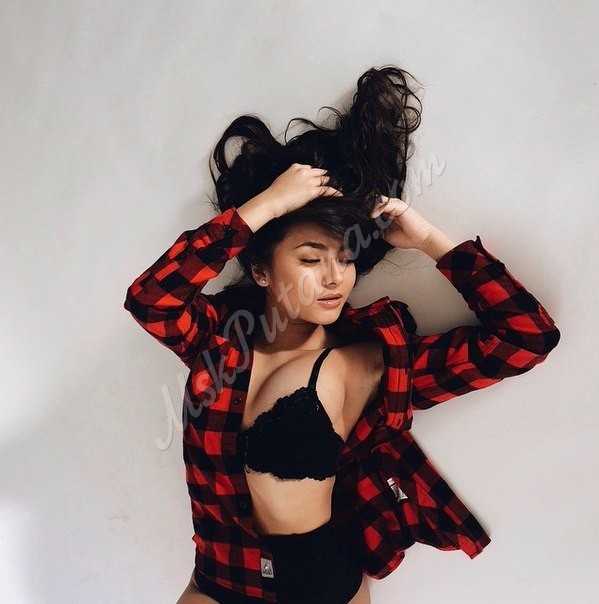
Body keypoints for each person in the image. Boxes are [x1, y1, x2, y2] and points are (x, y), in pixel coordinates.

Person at [124, 67, 561, 603]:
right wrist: (266, 207)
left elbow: (526, 338)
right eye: (311, 259)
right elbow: (151, 299)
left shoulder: (371, 362)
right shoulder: (217, 339)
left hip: (318, 589)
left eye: (346, 258)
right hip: (217, 578)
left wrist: (429, 240)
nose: (335, 278)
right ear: (261, 270)